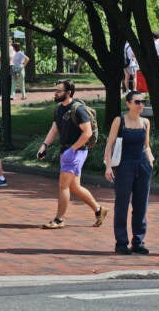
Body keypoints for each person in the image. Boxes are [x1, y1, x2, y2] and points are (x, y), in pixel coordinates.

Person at [37, 79, 108, 229]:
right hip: (67, 151)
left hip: (76, 152)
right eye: (55, 90)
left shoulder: (78, 110)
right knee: (75, 187)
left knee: (63, 185)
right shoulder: (59, 109)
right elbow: (54, 129)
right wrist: (44, 146)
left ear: (68, 93)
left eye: (58, 91)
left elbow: (87, 133)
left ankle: (59, 219)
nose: (55, 93)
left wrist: (73, 149)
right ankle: (99, 210)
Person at [104, 91, 154, 255]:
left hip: (142, 165)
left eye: (143, 102)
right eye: (137, 102)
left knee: (141, 205)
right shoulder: (120, 121)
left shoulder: (145, 122)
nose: (141, 105)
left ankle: (138, 241)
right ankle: (121, 242)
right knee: (122, 204)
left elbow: (146, 146)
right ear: (128, 103)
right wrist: (108, 166)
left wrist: (150, 161)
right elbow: (109, 144)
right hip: (124, 166)